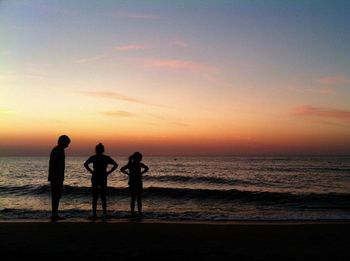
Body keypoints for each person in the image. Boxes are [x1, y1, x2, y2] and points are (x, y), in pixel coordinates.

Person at [84, 143, 118, 219]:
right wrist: (108, 172)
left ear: (96, 150)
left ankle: (94, 214)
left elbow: (85, 164)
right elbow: (116, 165)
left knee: (95, 196)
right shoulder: (106, 158)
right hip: (102, 176)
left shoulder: (94, 157)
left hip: (96, 176)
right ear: (103, 150)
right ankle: (104, 214)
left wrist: (91, 171)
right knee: (103, 196)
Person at [48, 135, 71, 221]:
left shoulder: (59, 150)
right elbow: (55, 164)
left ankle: (55, 214)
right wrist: (58, 176)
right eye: (67, 143)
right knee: (56, 196)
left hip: (57, 176)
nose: (68, 145)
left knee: (57, 196)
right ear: (63, 142)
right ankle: (54, 215)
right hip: (56, 176)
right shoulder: (58, 150)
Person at [120, 152, 149, 217]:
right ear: (138, 158)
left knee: (133, 198)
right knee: (138, 198)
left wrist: (128, 174)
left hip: (133, 181)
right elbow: (147, 168)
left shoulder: (131, 164)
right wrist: (141, 173)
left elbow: (122, 169)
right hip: (137, 182)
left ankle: (133, 213)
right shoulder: (139, 164)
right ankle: (139, 213)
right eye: (140, 158)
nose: (141, 159)